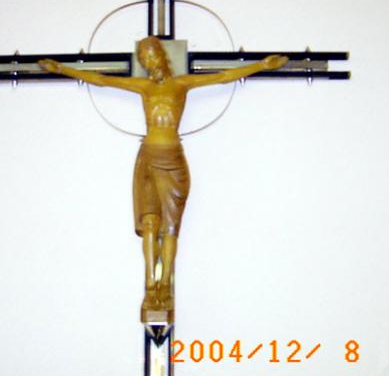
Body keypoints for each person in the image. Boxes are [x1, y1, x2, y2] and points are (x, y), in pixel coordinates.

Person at [39, 38, 287, 320]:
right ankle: (149, 284)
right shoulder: (143, 87)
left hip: (172, 159)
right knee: (149, 223)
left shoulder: (181, 84)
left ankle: (165, 283)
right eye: (143, 59)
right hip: (148, 157)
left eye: (151, 55)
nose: (148, 63)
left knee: (170, 227)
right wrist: (62, 69)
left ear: (162, 55)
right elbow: (102, 80)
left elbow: (223, 76)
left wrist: (261, 65)